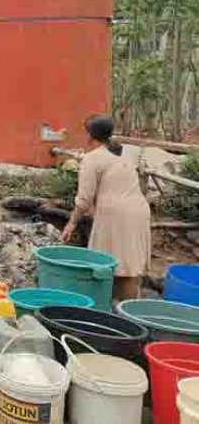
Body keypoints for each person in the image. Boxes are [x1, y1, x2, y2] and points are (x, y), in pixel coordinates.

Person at [62, 115, 151, 303]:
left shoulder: (92, 159)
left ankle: (116, 313)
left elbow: (84, 199)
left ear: (90, 136)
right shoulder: (123, 155)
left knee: (116, 265)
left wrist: (71, 223)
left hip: (117, 214)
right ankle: (129, 309)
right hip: (139, 210)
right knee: (130, 263)